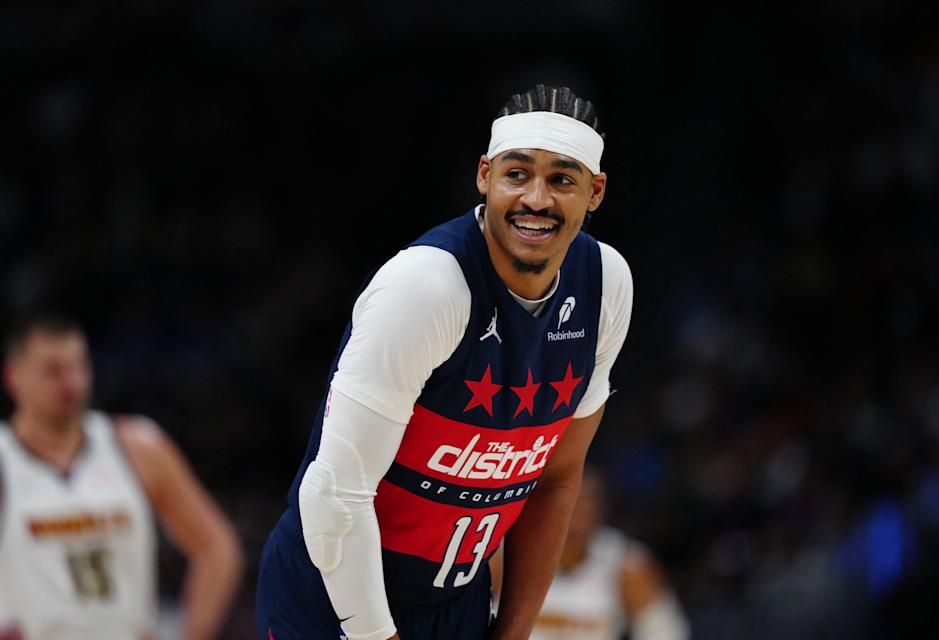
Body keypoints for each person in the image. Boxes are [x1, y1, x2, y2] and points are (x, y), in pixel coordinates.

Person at [256, 84, 633, 640]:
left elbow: (556, 478)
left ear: (595, 192)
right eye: (516, 174)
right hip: (334, 593)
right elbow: (334, 493)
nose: (536, 199)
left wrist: (513, 631)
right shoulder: (428, 286)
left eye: (562, 179)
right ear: (484, 176)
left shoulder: (606, 285)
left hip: (460, 598)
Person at [0, 315, 244, 640]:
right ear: (14, 376)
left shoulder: (138, 447)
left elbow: (217, 548)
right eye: (53, 371)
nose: (71, 383)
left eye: (78, 366)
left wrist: (193, 634)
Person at [498, 469, 689, 640]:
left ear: (602, 508)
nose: (578, 510)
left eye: (587, 501)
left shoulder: (626, 563)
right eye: (573, 500)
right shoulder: (504, 552)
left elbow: (665, 631)